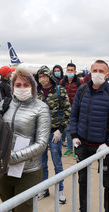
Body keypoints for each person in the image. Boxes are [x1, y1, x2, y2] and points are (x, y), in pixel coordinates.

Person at [71, 60, 109, 212]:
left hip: (103, 147)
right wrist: (74, 135)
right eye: (94, 70)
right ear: (90, 72)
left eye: (101, 71)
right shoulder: (82, 90)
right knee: (82, 180)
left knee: (107, 183)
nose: (97, 73)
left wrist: (108, 143)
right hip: (82, 145)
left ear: (108, 74)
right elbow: (74, 114)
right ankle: (83, 211)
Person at [0, 69, 50, 212]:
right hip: (4, 170)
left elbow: (42, 143)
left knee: (22, 211)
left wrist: (13, 157)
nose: (21, 88)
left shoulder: (41, 108)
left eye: (26, 84)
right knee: (8, 209)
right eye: (18, 84)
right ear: (12, 86)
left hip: (28, 172)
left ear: (32, 87)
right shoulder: (4, 104)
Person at [35, 65, 71, 204]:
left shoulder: (59, 90)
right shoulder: (37, 92)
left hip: (55, 132)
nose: (41, 79)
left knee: (57, 162)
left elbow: (67, 109)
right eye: (39, 77)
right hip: (41, 133)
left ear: (49, 76)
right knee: (42, 163)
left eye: (44, 76)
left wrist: (61, 130)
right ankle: (44, 189)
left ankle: (60, 190)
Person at [60, 63, 84, 157]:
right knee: (68, 130)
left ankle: (77, 149)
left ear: (75, 71)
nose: (70, 72)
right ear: (66, 71)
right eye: (68, 70)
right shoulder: (62, 82)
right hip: (66, 110)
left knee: (77, 130)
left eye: (72, 70)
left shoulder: (80, 82)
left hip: (77, 109)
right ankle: (70, 149)